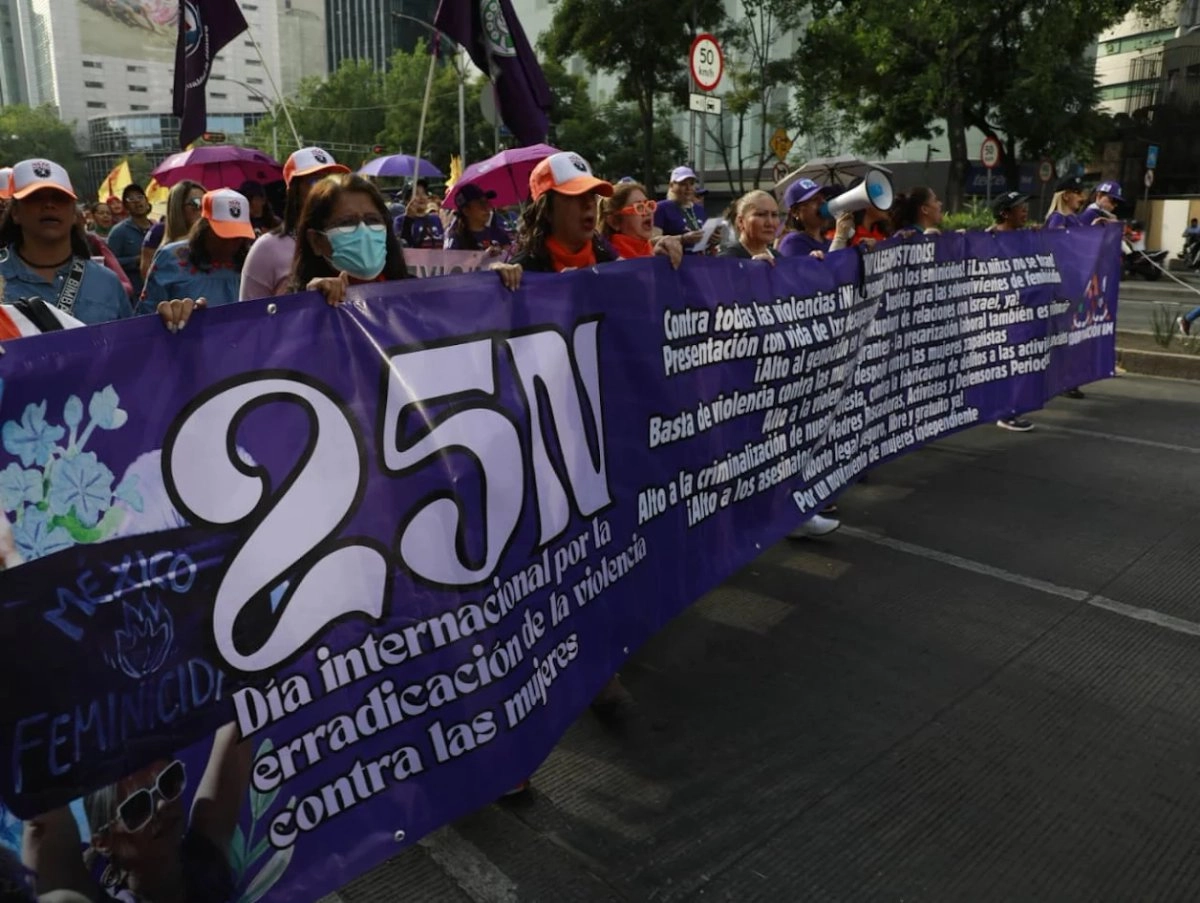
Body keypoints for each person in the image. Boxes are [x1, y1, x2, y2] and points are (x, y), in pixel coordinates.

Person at [21, 725, 250, 903]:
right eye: (138, 807)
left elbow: (240, 720)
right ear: (103, 842)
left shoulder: (206, 867)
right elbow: (41, 816)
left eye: (169, 782)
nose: (161, 807)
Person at [0, 159, 130, 325]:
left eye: (59, 198)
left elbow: (132, 346)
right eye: (35, 198)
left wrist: (167, 318)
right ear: (15, 213)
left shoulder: (107, 282)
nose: (48, 205)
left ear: (75, 214)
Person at [239, 146, 349, 301]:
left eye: (331, 180)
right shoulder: (267, 248)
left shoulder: (352, 239)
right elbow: (249, 320)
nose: (327, 190)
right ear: (294, 192)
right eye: (315, 181)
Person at [287, 173, 411, 303]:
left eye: (373, 220)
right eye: (346, 223)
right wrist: (310, 303)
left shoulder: (414, 295)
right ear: (316, 241)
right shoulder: (296, 311)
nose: (364, 231)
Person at [137, 189, 255, 315]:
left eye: (238, 237)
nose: (232, 244)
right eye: (224, 235)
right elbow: (145, 316)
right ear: (205, 228)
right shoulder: (172, 258)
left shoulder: (250, 262)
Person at [508, 152, 616, 274]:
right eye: (576, 195)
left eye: (592, 194)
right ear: (546, 210)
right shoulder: (522, 273)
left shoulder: (610, 262)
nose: (589, 203)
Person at [987, 192, 1036, 433]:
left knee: (1018, 362)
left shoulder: (1025, 238)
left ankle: (1004, 409)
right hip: (1002, 313)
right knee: (1011, 363)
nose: (1025, 211)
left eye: (1026, 206)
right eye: (1020, 207)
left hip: (1022, 311)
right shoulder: (989, 239)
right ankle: (1006, 413)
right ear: (1005, 213)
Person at [598, 181, 683, 266]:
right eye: (639, 207)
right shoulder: (608, 258)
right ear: (614, 221)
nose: (648, 212)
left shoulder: (657, 252)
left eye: (649, 205)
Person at [139, 180, 204, 282]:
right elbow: (147, 274)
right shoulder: (158, 232)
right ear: (177, 207)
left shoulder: (213, 236)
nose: (202, 208)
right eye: (196, 203)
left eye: (206, 202)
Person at [106, 183, 153, 297]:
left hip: (157, 291)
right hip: (134, 294)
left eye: (140, 197)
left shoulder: (157, 229)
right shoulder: (119, 232)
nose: (137, 201)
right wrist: (137, 260)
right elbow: (110, 264)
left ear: (146, 201)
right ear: (125, 206)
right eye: (131, 199)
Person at [444, 184, 512, 254]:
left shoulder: (499, 234)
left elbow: (510, 258)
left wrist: (505, 253)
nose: (486, 208)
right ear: (466, 211)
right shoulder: (455, 237)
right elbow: (450, 263)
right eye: (480, 204)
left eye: (487, 203)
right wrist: (483, 256)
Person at [653, 166, 706, 248]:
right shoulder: (661, 208)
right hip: (673, 258)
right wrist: (682, 239)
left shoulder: (699, 209)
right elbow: (652, 240)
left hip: (699, 259)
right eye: (683, 184)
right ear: (671, 186)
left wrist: (712, 239)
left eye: (691, 184)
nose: (688, 188)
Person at [398, 180, 444, 249]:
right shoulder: (400, 221)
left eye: (424, 193)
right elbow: (402, 247)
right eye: (416, 194)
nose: (421, 197)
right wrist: (408, 219)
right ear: (407, 200)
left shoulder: (435, 219)